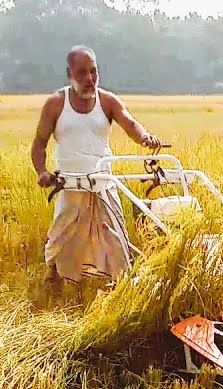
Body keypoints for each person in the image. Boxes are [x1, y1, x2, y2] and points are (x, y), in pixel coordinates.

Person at [30, 45, 162, 290]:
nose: (89, 79)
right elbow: (39, 143)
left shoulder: (108, 101)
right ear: (69, 74)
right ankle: (56, 281)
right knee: (62, 237)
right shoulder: (56, 104)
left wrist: (145, 137)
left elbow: (131, 124)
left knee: (115, 237)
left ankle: (121, 287)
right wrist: (42, 172)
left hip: (103, 182)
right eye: (82, 73)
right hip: (70, 184)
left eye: (93, 72)